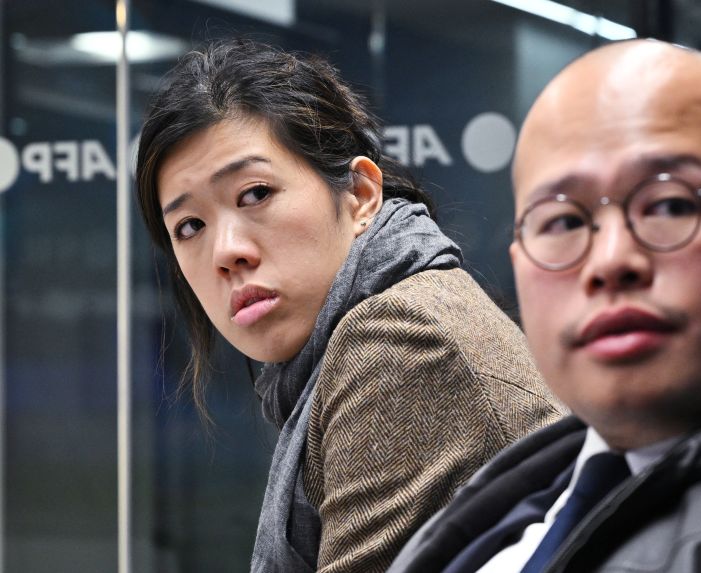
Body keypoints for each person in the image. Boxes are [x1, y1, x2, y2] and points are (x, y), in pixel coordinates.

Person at [388, 39, 701, 572]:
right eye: (563, 221)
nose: (610, 261)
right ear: (518, 260)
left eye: (670, 205)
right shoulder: (507, 507)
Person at [135, 38, 564, 573]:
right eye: (190, 226)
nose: (227, 253)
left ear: (360, 194)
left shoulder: (400, 342)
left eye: (255, 194)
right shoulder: (373, 330)